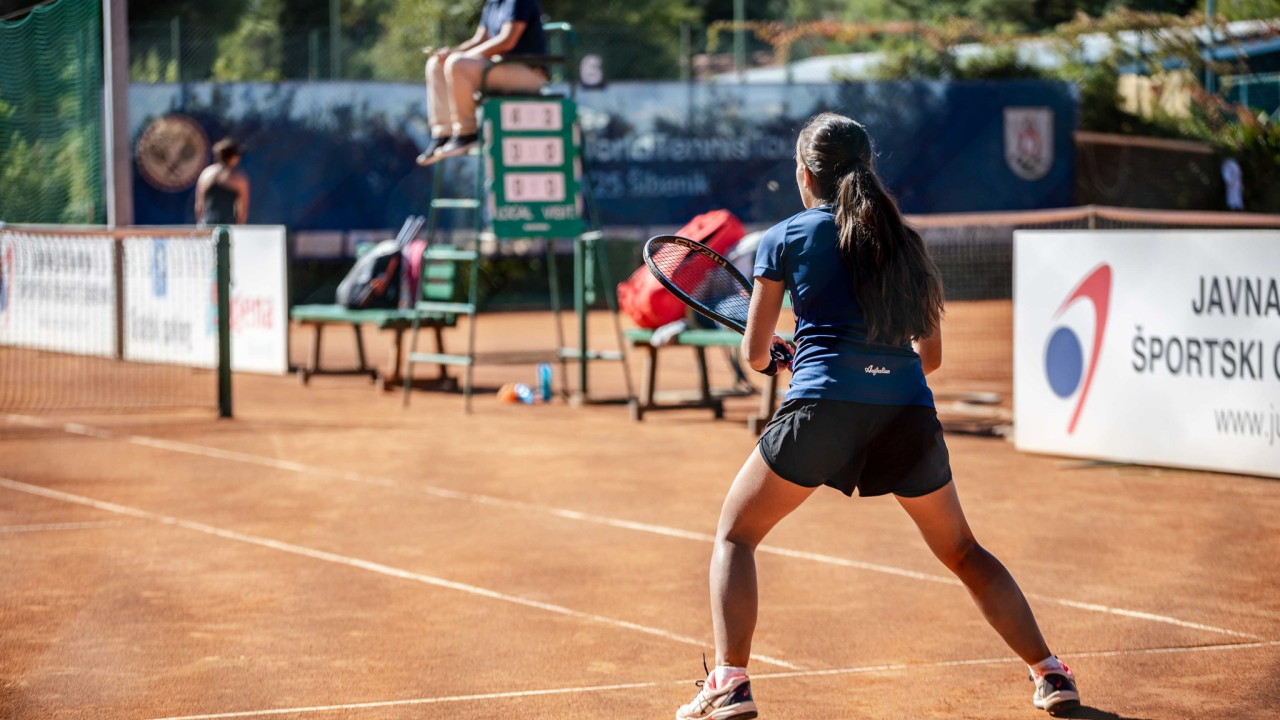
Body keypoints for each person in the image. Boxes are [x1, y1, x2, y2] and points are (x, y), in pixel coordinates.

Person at [675, 113, 1080, 720]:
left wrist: (790, 357)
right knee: (965, 552)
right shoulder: (904, 241)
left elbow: (757, 354)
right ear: (866, 169)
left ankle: (731, 684)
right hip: (905, 416)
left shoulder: (782, 237)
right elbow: (931, 357)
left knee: (736, 535)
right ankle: (1051, 673)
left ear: (805, 174)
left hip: (821, 411)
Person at [417, 0, 547, 166]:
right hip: (499, 68)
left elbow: (507, 41)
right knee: (436, 64)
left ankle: (467, 134)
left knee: (457, 64)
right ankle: (444, 134)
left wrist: (462, 57)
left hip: (528, 73)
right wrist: (453, 52)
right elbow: (478, 40)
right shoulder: (492, 3)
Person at [195, 139, 250, 226]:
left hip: (207, 224)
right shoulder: (239, 178)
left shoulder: (206, 174)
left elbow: (199, 206)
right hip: (229, 226)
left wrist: (200, 226)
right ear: (233, 157)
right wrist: (239, 228)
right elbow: (243, 209)